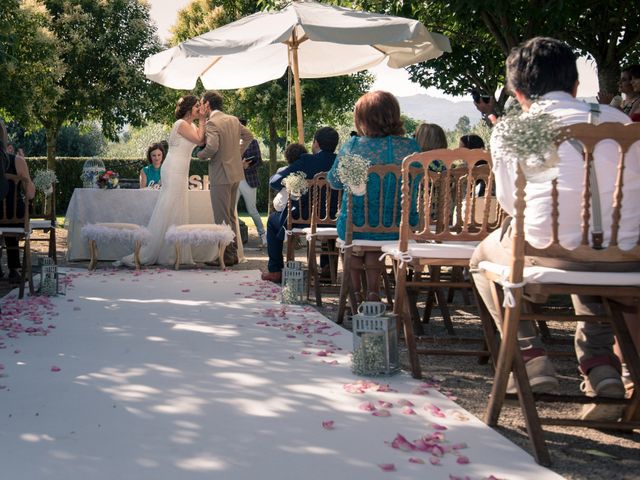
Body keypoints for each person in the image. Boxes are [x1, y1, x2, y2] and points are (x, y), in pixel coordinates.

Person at [469, 37, 640, 420]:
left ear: (517, 92)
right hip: (626, 257)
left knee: (482, 259)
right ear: (575, 85)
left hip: (546, 251)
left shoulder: (514, 129)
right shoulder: (619, 121)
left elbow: (513, 205)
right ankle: (600, 369)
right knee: (588, 251)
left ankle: (530, 356)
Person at [327, 91, 419, 303]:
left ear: (362, 118)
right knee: (373, 239)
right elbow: (419, 179)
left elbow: (334, 180)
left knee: (358, 239)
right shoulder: (411, 148)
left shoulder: (352, 146)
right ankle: (373, 292)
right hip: (400, 225)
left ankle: (356, 294)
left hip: (356, 225)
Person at [121, 95, 206, 267]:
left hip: (182, 170)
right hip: (173, 168)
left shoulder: (192, 125)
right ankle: (154, 251)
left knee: (179, 207)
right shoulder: (181, 124)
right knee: (168, 207)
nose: (200, 108)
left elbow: (202, 140)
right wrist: (204, 118)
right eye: (198, 106)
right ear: (190, 108)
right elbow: (198, 140)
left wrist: (202, 120)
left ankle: (175, 252)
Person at [261, 127, 339, 283]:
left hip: (303, 219)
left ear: (316, 143)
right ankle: (327, 269)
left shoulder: (306, 161)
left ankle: (275, 270)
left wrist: (292, 184)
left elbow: (274, 181)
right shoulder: (341, 162)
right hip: (335, 220)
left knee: (272, 221)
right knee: (328, 218)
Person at [197, 91, 254, 266]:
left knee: (221, 217)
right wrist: (236, 154)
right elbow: (249, 136)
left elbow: (212, 147)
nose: (200, 107)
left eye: (201, 104)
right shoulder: (233, 119)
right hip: (236, 173)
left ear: (207, 104)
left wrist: (200, 154)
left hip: (221, 174)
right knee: (230, 216)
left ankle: (226, 256)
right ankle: (233, 253)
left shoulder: (212, 122)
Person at [0, 120, 35, 281]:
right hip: (15, 218)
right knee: (12, 214)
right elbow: (30, 194)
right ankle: (14, 269)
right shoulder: (17, 161)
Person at [236, 118, 266, 246]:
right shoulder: (230, 142)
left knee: (252, 210)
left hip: (249, 179)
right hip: (234, 179)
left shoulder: (252, 142)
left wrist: (248, 166)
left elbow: (259, 161)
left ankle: (263, 236)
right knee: (230, 210)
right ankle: (232, 238)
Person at [272, 143, 308, 213]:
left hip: (284, 207)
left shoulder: (283, 171)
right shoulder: (308, 172)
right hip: (304, 209)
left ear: (287, 157)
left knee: (272, 219)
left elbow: (275, 185)